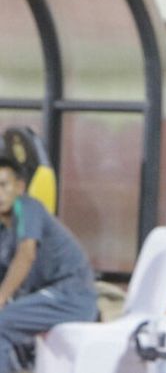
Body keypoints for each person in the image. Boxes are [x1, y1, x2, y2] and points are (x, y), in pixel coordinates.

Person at [0, 157, 97, 371]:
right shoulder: (3, 230)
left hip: (71, 295)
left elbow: (26, 254)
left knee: (1, 323)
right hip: (46, 299)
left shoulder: (27, 207)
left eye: (3, 185)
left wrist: (1, 297)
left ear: (19, 187)